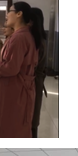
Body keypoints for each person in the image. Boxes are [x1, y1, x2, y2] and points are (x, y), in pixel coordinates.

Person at [0, 2, 40, 138]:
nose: (7, 15)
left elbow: (11, 68)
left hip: (14, 88)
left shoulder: (20, 37)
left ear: (19, 14)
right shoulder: (22, 35)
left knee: (11, 128)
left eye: (10, 11)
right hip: (16, 87)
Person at [30, 8, 47, 138]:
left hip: (33, 81)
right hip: (35, 81)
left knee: (32, 119)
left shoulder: (37, 41)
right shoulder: (39, 38)